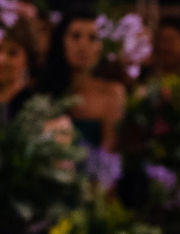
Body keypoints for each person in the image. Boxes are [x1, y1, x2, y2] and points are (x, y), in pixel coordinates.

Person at [38, 11, 127, 151]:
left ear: (100, 47)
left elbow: (110, 152)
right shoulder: (40, 88)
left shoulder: (111, 93)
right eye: (76, 36)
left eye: (93, 38)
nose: (83, 45)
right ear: (61, 41)